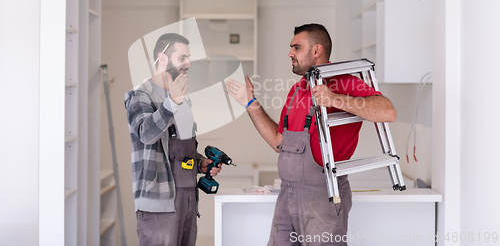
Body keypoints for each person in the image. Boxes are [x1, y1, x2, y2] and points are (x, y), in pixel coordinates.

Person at [225, 23, 397, 246]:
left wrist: (334, 99)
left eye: (296, 47)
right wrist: (249, 102)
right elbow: (279, 143)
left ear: (316, 51)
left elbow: (388, 111)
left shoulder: (343, 81)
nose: (290, 53)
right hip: (287, 197)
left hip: (323, 198)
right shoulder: (297, 89)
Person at [124, 32, 222, 246]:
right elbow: (145, 134)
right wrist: (171, 105)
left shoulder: (183, 101)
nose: (189, 64)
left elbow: (179, 149)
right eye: (182, 58)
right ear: (163, 58)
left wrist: (200, 164)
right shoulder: (141, 95)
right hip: (158, 202)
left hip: (187, 199)